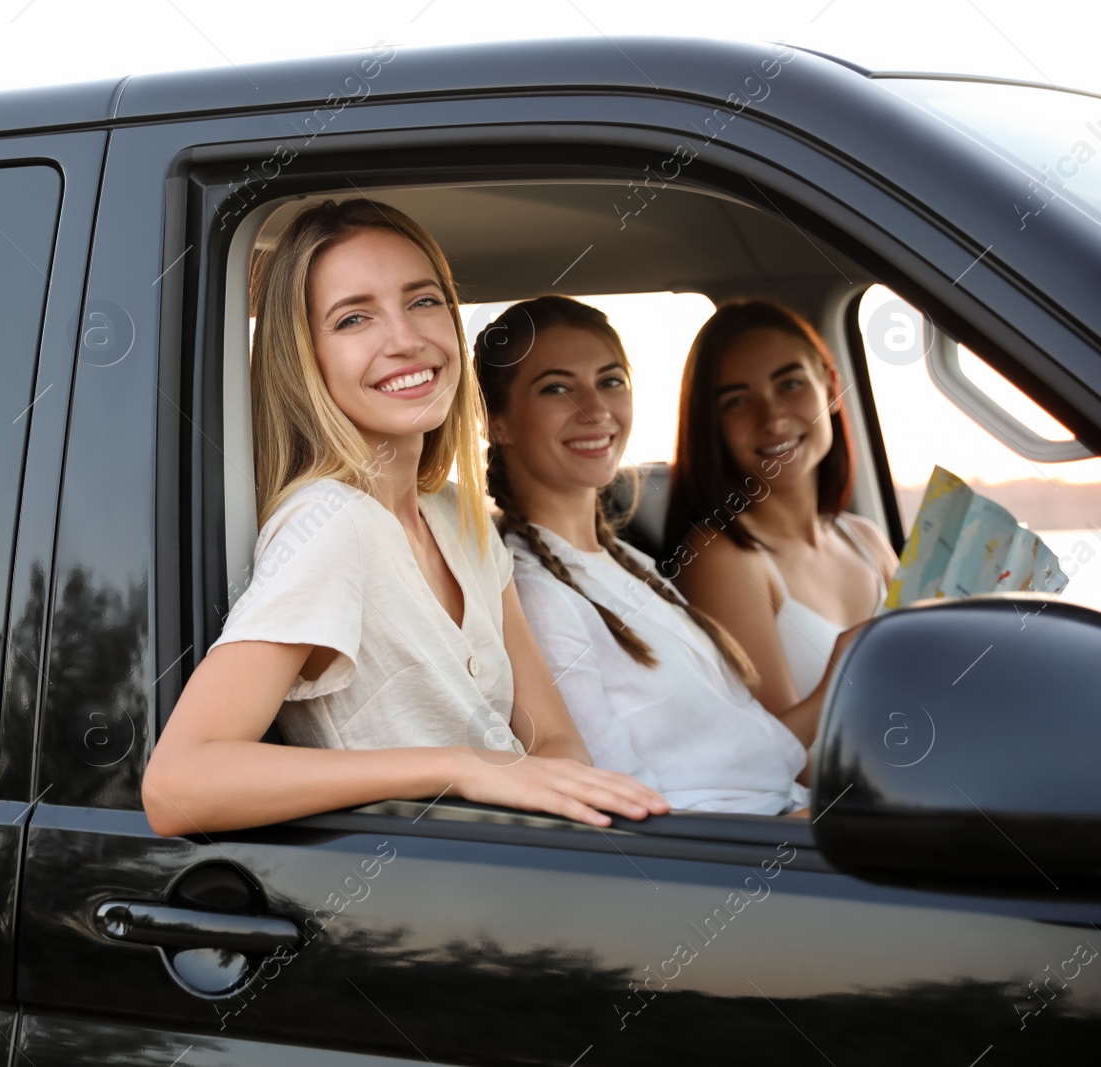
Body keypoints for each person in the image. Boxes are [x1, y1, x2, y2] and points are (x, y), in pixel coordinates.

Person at [141, 199, 668, 837]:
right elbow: (179, 786)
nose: (406, 339)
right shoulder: (332, 525)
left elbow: (554, 739)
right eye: (354, 318)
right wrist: (460, 767)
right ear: (305, 357)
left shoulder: (458, 518)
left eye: (422, 302)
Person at [477, 296, 826, 815]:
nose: (594, 410)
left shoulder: (631, 565)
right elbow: (623, 806)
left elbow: (756, 754)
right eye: (556, 388)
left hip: (787, 817)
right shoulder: (537, 596)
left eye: (611, 381)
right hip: (731, 853)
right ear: (496, 422)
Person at [662, 300, 896, 736]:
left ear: (830, 389)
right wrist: (850, 673)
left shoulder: (866, 539)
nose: (771, 418)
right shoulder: (725, 556)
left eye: (790, 384)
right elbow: (781, 760)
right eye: (737, 401)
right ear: (713, 423)